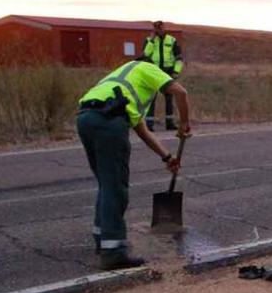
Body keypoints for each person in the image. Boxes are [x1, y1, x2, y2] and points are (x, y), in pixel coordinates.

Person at [77, 60, 191, 270]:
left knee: (106, 183)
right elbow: (180, 92)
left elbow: (142, 131)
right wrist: (184, 124)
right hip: (109, 122)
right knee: (116, 188)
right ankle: (113, 252)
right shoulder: (146, 67)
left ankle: (102, 239)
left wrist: (167, 157)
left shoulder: (122, 85)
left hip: (86, 118)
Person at [142, 21, 184, 131]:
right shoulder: (149, 40)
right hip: (154, 73)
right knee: (151, 98)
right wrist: (151, 40)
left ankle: (170, 123)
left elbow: (179, 58)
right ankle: (149, 124)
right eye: (156, 28)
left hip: (168, 73)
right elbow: (145, 55)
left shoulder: (172, 40)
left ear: (164, 28)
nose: (158, 30)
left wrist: (176, 72)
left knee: (169, 98)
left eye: (160, 27)